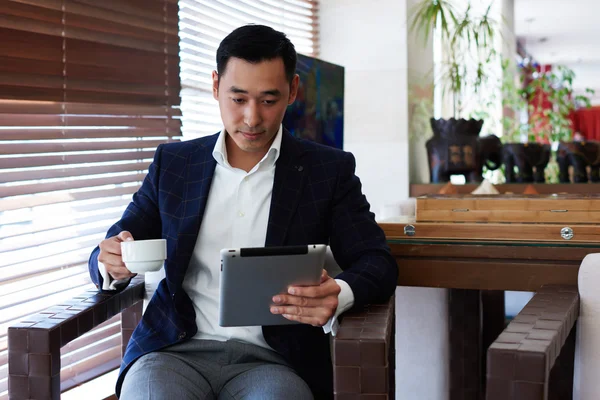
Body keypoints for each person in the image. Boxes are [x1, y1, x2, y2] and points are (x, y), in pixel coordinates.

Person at [88, 24, 398, 400]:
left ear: (293, 91)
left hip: (274, 361)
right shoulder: (175, 164)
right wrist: (110, 262)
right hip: (172, 353)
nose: (252, 119)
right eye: (238, 99)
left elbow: (376, 261)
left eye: (269, 100)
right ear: (216, 86)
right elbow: (116, 243)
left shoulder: (326, 171)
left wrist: (340, 293)